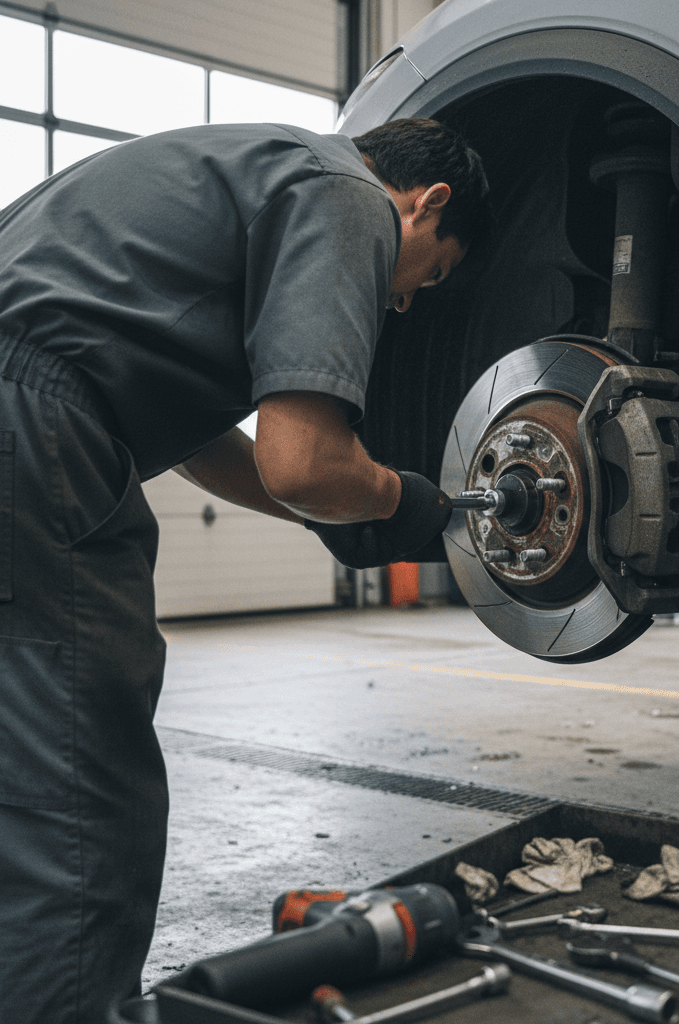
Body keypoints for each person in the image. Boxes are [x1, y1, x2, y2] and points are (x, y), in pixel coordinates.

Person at [0, 116, 490, 1024]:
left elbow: (216, 448)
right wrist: (401, 500)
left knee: (18, 768)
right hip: (32, 432)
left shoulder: (246, 169)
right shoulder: (347, 194)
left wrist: (336, 517)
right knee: (79, 791)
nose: (411, 300)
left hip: (27, 403)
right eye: (438, 269)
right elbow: (305, 461)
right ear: (428, 203)